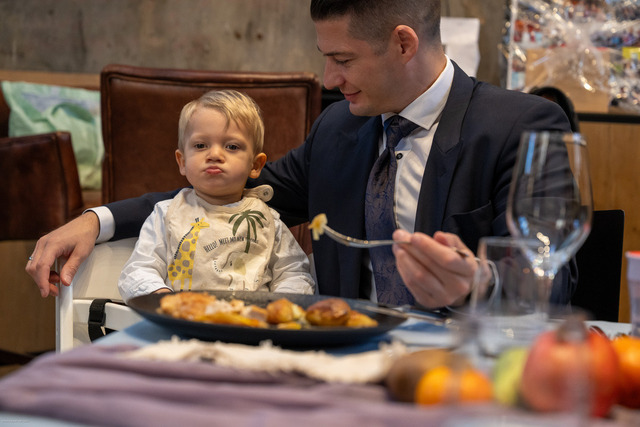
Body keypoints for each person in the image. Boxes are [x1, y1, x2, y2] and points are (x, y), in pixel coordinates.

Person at [27, 0, 576, 308]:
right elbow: (222, 193)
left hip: (461, 374)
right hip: (336, 369)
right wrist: (97, 220)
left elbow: (557, 278)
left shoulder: (521, 127)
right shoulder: (338, 129)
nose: (329, 78)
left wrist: (477, 282)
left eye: (343, 59)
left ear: (404, 44)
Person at [117, 90, 314, 302]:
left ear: (255, 165)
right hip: (182, 317)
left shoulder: (268, 221)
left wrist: (278, 306)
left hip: (251, 320)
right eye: (201, 145)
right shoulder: (166, 215)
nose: (214, 155)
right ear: (182, 161)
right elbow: (138, 270)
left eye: (232, 146)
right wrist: (162, 298)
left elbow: (295, 274)